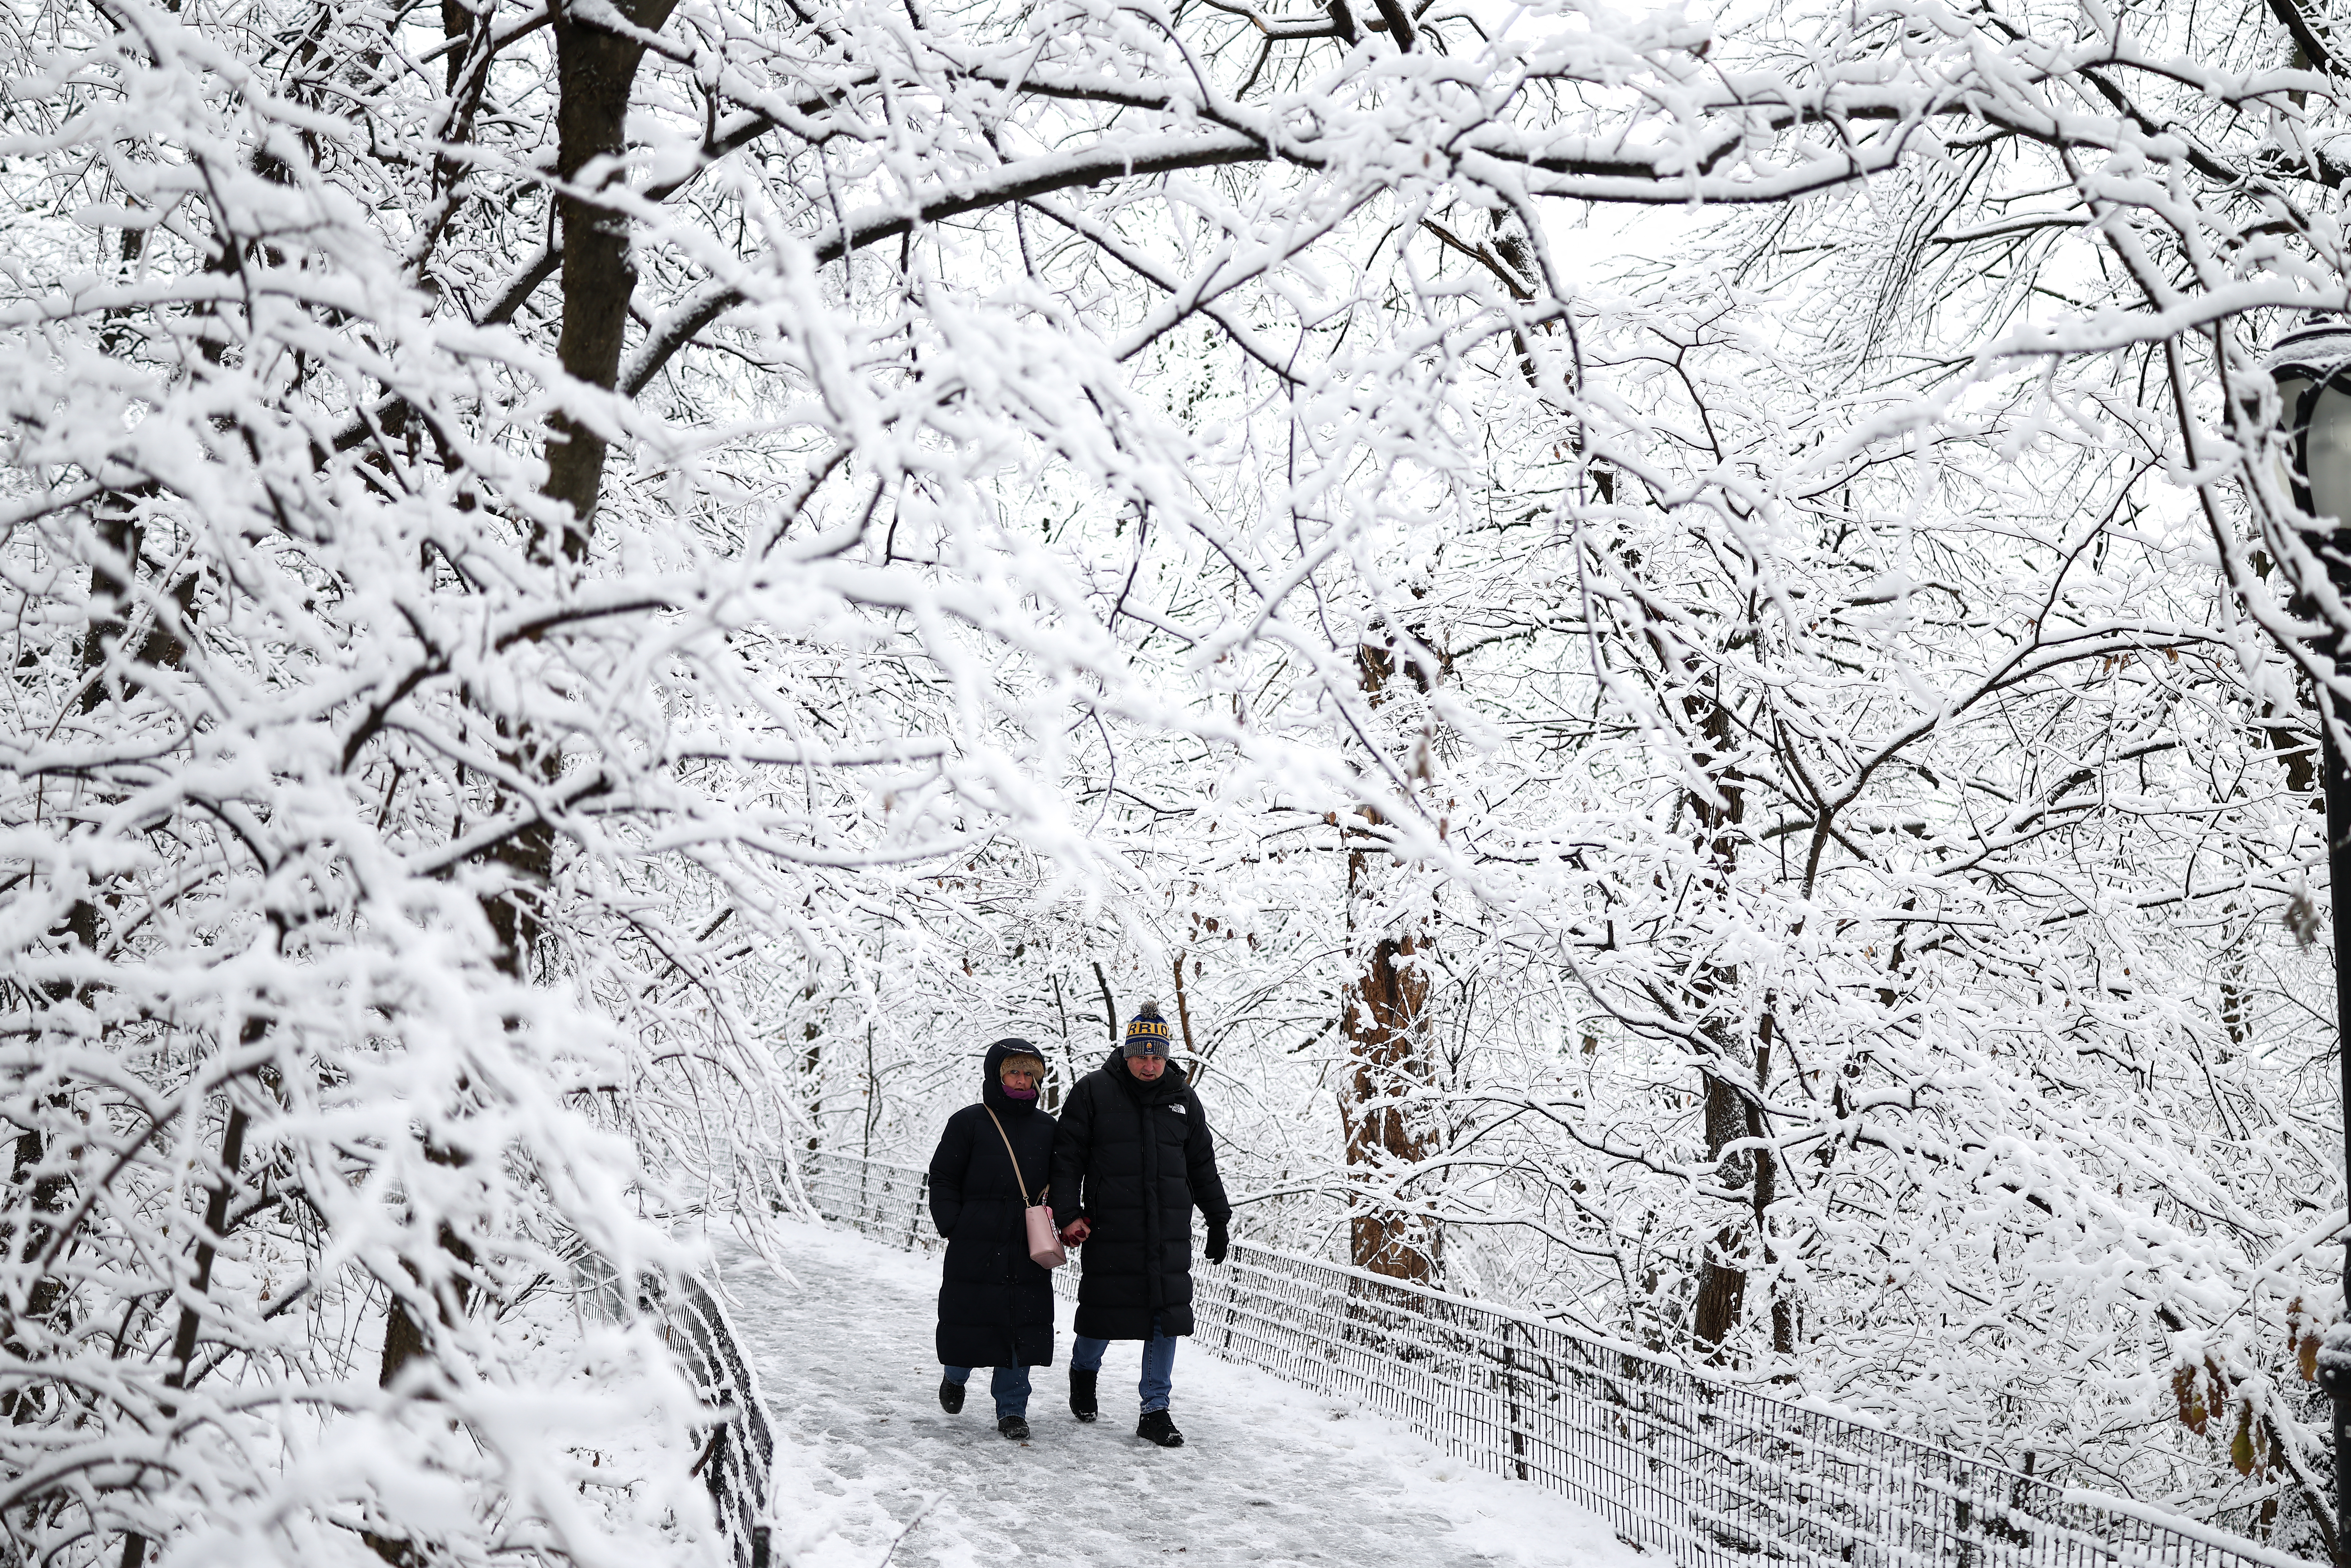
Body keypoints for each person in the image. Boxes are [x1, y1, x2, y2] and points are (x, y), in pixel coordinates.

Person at [1050, 999, 1231, 1448]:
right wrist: (1069, 1214)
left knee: (1164, 1320)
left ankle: (1155, 1409)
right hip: (1111, 1231)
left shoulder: (1183, 1100)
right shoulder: (1093, 1092)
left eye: (1158, 1056)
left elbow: (1201, 1166)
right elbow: (1067, 1160)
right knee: (1101, 1319)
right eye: (1141, 1055)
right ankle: (1084, 1371)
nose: (1150, 1065)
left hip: (1168, 1235)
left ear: (1167, 1056)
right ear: (1127, 1053)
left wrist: (1218, 1218)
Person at [927, 1038, 1057, 1441]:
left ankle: (1013, 1410)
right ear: (996, 1076)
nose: (1021, 1080)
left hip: (1026, 1246)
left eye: (1029, 1074)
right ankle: (955, 1375)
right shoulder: (968, 1123)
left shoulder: (1049, 1130)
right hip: (976, 1244)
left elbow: (1065, 1180)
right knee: (969, 1322)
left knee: (1021, 1327)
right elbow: (944, 1177)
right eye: (1013, 1072)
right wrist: (955, 1224)